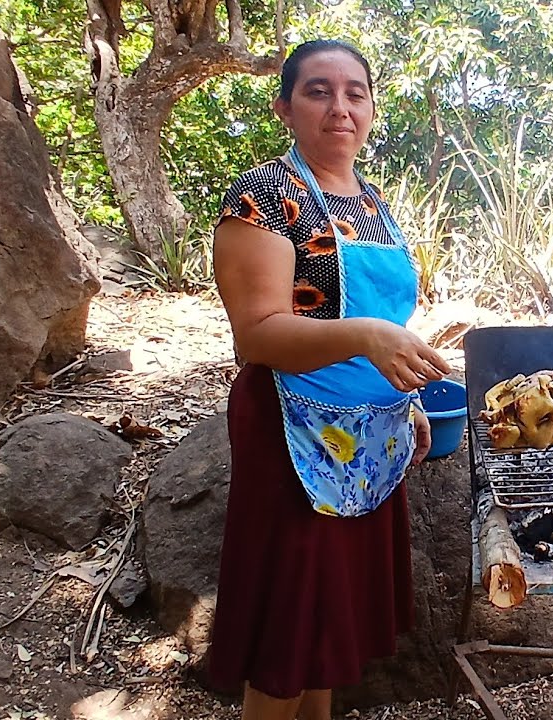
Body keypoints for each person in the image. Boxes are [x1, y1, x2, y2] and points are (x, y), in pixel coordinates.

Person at [206, 39, 451, 720]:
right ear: (284, 106)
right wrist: (370, 339)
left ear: (371, 106)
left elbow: (383, 318)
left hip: (368, 436)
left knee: (325, 625)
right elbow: (258, 334)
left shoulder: (372, 202)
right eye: (318, 90)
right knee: (289, 629)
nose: (339, 107)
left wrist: (405, 400)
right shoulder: (264, 196)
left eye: (355, 92)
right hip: (295, 432)